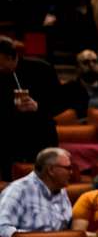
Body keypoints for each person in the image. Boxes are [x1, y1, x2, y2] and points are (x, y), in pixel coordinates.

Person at [0, 37, 62, 171]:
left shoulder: (42, 69)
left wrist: (37, 107)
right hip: (9, 142)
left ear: (11, 57)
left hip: (41, 137)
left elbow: (59, 103)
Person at [0, 147, 72, 237]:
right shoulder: (18, 190)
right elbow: (2, 227)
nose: (71, 172)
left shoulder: (61, 190)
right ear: (51, 170)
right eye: (67, 168)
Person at [65, 48, 98, 116]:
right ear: (77, 68)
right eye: (85, 62)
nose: (91, 65)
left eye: (95, 61)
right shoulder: (68, 90)